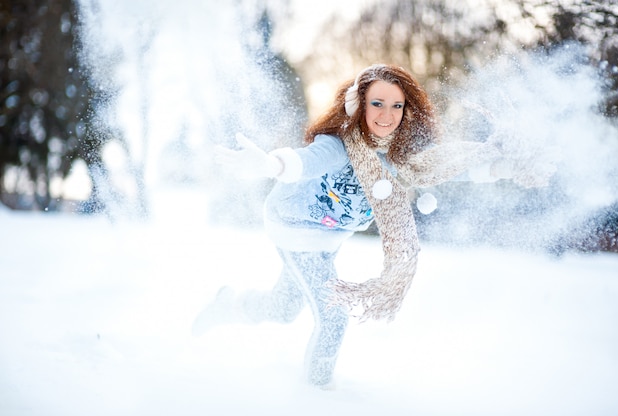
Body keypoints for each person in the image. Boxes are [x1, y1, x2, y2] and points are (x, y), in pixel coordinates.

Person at [192, 64, 538, 388]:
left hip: (329, 238)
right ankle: (317, 397)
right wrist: (269, 164)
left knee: (284, 309)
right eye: (377, 104)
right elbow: (305, 162)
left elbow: (442, 167)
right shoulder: (340, 144)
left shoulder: (399, 157)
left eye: (396, 106)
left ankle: (229, 305)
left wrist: (499, 169)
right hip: (296, 229)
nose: (387, 116)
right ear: (359, 105)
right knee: (333, 320)